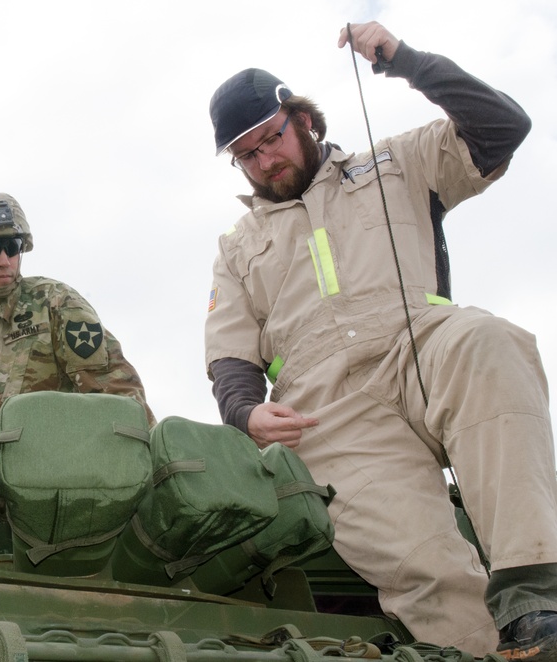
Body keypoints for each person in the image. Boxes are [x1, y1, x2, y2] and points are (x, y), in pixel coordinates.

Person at [203, 21, 557, 659]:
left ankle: (534, 595)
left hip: (419, 344)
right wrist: (245, 411)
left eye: (271, 139)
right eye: (246, 154)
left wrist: (405, 60)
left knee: (487, 338)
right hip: (330, 411)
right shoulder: (237, 249)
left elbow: (503, 127)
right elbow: (229, 353)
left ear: (303, 119)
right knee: (426, 569)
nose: (265, 161)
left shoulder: (396, 162)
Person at [0, 191, 155, 451]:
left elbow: (117, 395)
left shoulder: (55, 304)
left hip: (46, 464)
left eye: (12, 247)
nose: (4, 261)